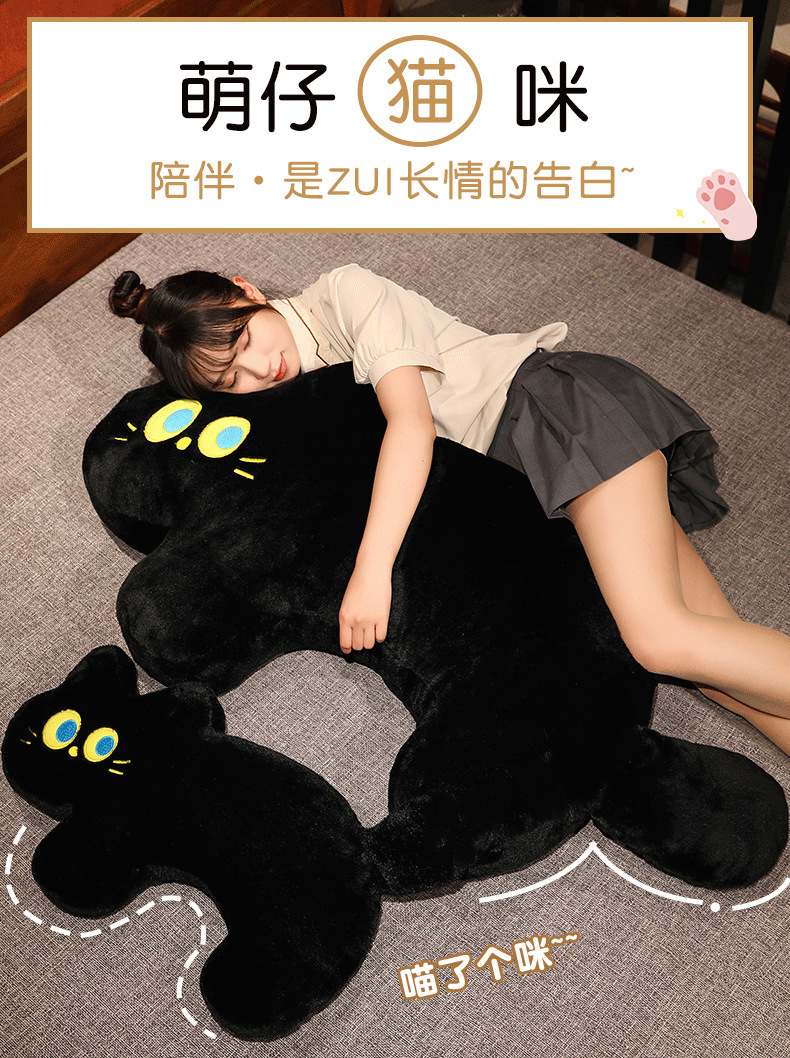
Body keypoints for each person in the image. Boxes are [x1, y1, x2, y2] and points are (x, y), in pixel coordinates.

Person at [109, 263, 790, 756]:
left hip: (552, 416)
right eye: (231, 379)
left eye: (244, 343)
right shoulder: (300, 400)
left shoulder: (345, 292)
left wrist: (371, 573)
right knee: (703, 657)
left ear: (248, 292)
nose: (259, 372)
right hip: (535, 477)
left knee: (660, 638)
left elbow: (412, 426)